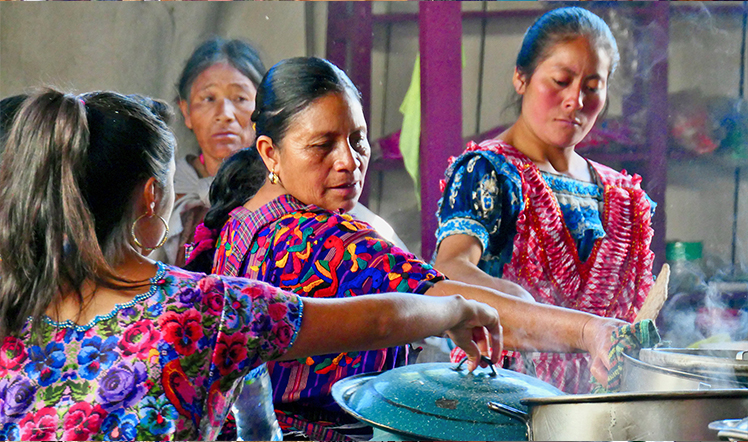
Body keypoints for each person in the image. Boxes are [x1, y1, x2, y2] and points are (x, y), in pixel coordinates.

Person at [0, 88, 504, 441]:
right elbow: (380, 318)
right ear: (153, 198)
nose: (347, 161)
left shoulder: (12, 303)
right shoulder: (204, 309)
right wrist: (458, 308)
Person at [186, 56, 627, 441]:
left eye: (357, 140)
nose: (348, 161)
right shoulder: (314, 239)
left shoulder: (243, 216)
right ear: (270, 152)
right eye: (322, 145)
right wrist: (590, 332)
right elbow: (434, 296)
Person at [433, 6, 656, 394]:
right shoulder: (489, 172)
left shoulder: (624, 195)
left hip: (603, 408)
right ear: (521, 78)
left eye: (592, 86)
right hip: (504, 399)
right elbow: (450, 269)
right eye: (560, 80)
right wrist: (514, 299)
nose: (575, 100)